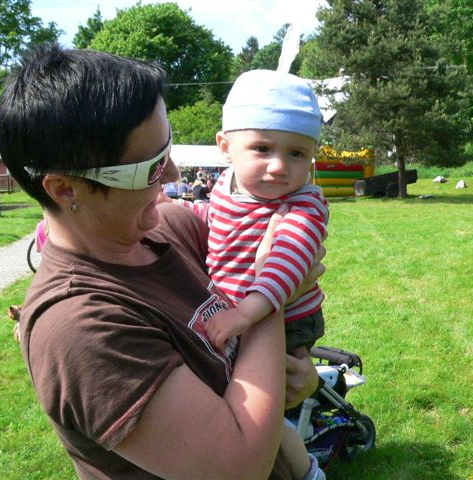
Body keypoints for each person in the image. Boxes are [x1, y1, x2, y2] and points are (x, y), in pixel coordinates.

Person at [0, 44, 321, 480]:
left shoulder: (173, 228)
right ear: (66, 189)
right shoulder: (80, 329)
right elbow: (239, 469)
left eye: (166, 150)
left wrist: (297, 375)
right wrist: (270, 295)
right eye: (150, 167)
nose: (173, 176)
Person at [178, 69, 329, 477]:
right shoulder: (226, 188)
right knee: (240, 405)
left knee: (261, 408)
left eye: (297, 154)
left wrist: (245, 313)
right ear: (226, 148)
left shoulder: (302, 207)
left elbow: (287, 262)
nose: (279, 167)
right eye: (262, 148)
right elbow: (213, 219)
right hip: (236, 315)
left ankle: (307, 472)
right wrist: (175, 209)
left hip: (285, 318)